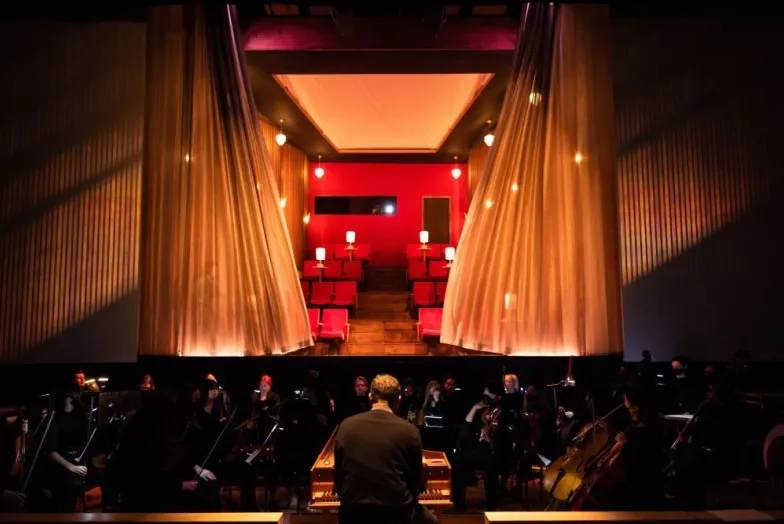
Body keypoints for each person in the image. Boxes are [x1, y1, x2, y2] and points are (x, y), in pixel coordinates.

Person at [334, 374, 437, 524]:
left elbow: (339, 477)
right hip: (396, 513)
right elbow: (416, 484)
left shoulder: (346, 426)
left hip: (353, 513)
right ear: (398, 400)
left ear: (370, 397)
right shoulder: (410, 431)